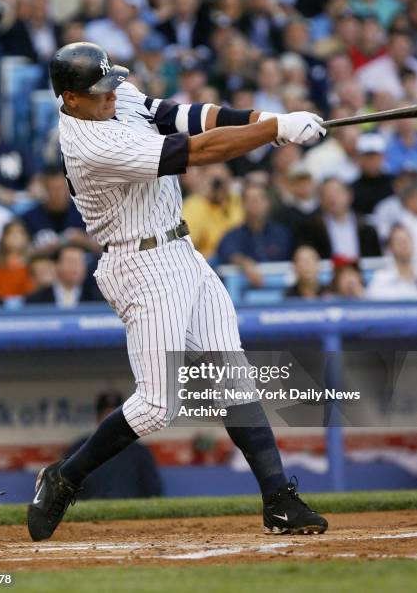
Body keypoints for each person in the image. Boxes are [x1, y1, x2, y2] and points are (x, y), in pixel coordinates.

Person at [27, 41, 328, 542]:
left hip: (181, 249)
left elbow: (183, 115)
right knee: (156, 406)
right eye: (99, 92)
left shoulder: (111, 95)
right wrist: (273, 130)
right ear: (69, 98)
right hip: (139, 263)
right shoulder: (87, 144)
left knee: (233, 379)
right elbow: (195, 151)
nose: (111, 96)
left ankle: (278, 501)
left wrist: (263, 116)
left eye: (110, 85)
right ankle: (64, 477)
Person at [64, 392, 162, 499]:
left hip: (129, 513)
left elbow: (154, 491)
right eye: (106, 415)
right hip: (91, 513)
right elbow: (66, 489)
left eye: (115, 417)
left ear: (126, 419)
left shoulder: (140, 452)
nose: (112, 423)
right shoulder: (79, 449)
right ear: (98, 418)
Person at [217, 180, 293, 287]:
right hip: (245, 291)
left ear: (268, 203)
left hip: (282, 289)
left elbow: (295, 255)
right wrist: (245, 264)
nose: (256, 204)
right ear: (243, 204)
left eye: (260, 199)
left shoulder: (282, 233)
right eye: (251, 200)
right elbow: (228, 251)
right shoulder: (233, 235)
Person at [299, 178, 381, 260]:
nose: (332, 198)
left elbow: (375, 259)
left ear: (350, 195)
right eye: (327, 194)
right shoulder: (311, 227)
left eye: (337, 193)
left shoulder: (365, 226)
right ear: (320, 198)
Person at [21, 167, 98, 255]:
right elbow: (22, 254)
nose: (58, 194)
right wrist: (42, 249)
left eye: (61, 188)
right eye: (53, 189)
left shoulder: (85, 211)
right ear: (44, 190)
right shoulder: (30, 218)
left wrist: (82, 240)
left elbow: (105, 249)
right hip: (46, 264)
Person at [182, 163, 244, 259]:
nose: (218, 187)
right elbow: (188, 239)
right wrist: (201, 199)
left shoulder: (237, 200)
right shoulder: (195, 203)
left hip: (239, 258)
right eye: (215, 182)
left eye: (221, 181)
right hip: (209, 262)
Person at [26, 244, 103, 307]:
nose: (76, 266)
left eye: (80, 261)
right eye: (71, 261)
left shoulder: (97, 299)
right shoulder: (36, 300)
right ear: (57, 265)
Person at [0, 220, 34, 300]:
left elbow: (33, 291)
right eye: (10, 233)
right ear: (3, 238)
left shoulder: (33, 263)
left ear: (26, 237)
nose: (15, 236)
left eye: (20, 233)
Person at [366, 225, 417, 301]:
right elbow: (371, 308)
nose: (404, 245)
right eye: (399, 241)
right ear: (390, 248)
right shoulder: (380, 280)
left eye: (406, 241)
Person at [351, 133, 394, 216]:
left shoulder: (394, 183)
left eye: (375, 156)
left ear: (383, 157)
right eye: (367, 156)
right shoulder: (352, 189)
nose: (371, 161)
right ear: (359, 158)